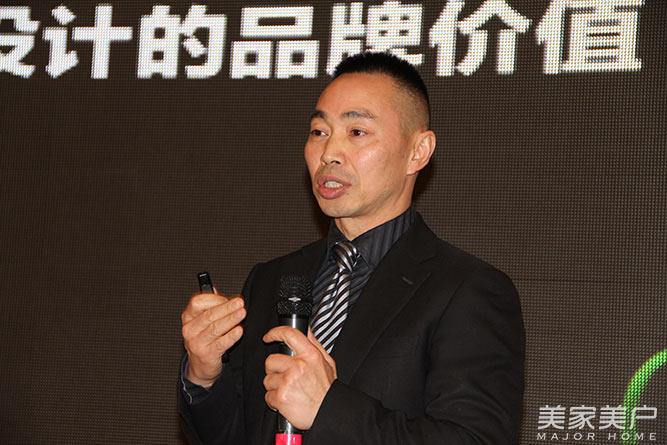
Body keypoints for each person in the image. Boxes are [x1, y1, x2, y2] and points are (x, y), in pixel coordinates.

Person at [178, 52, 525, 445]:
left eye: (357, 132)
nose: (329, 153)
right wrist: (204, 376)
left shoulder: (467, 290)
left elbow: (475, 438)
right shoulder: (273, 280)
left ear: (418, 151)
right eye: (319, 132)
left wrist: (327, 408)